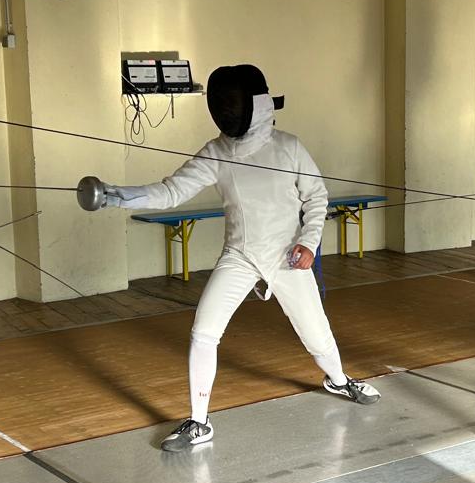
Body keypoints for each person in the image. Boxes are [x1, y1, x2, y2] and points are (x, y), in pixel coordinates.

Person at [87, 64, 380, 452]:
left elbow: (316, 198)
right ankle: (199, 422)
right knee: (203, 332)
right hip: (239, 256)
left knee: (316, 334)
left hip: (287, 256)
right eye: (222, 102)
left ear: (255, 105)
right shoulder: (216, 152)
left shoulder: (289, 146)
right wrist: (114, 195)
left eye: (232, 102)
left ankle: (339, 381)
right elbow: (171, 192)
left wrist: (308, 243)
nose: (226, 110)